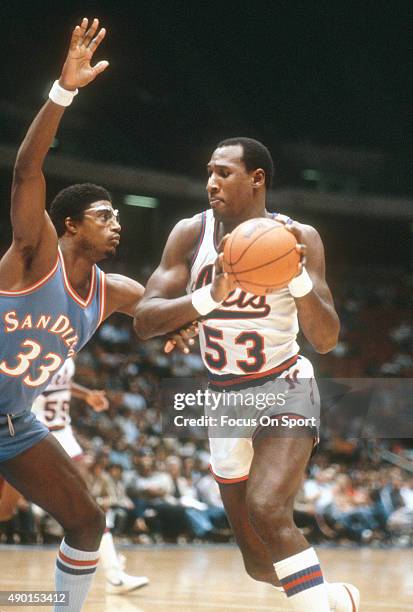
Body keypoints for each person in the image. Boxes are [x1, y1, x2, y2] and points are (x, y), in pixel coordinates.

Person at [0, 18, 187, 611]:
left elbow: (158, 313)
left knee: (87, 521)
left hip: (13, 423)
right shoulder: (35, 253)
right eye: (105, 215)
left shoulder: (114, 290)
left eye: (117, 217)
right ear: (71, 224)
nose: (117, 223)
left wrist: (195, 319)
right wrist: (63, 91)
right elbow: (28, 171)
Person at [134, 137, 360, 611]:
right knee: (259, 563)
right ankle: (336, 599)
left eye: (224, 172)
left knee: (268, 507)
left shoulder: (299, 237)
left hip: (284, 385)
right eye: (209, 172)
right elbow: (145, 321)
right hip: (224, 397)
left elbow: (325, 339)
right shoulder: (190, 234)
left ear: (257, 179)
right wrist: (206, 299)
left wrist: (297, 279)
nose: (211, 182)